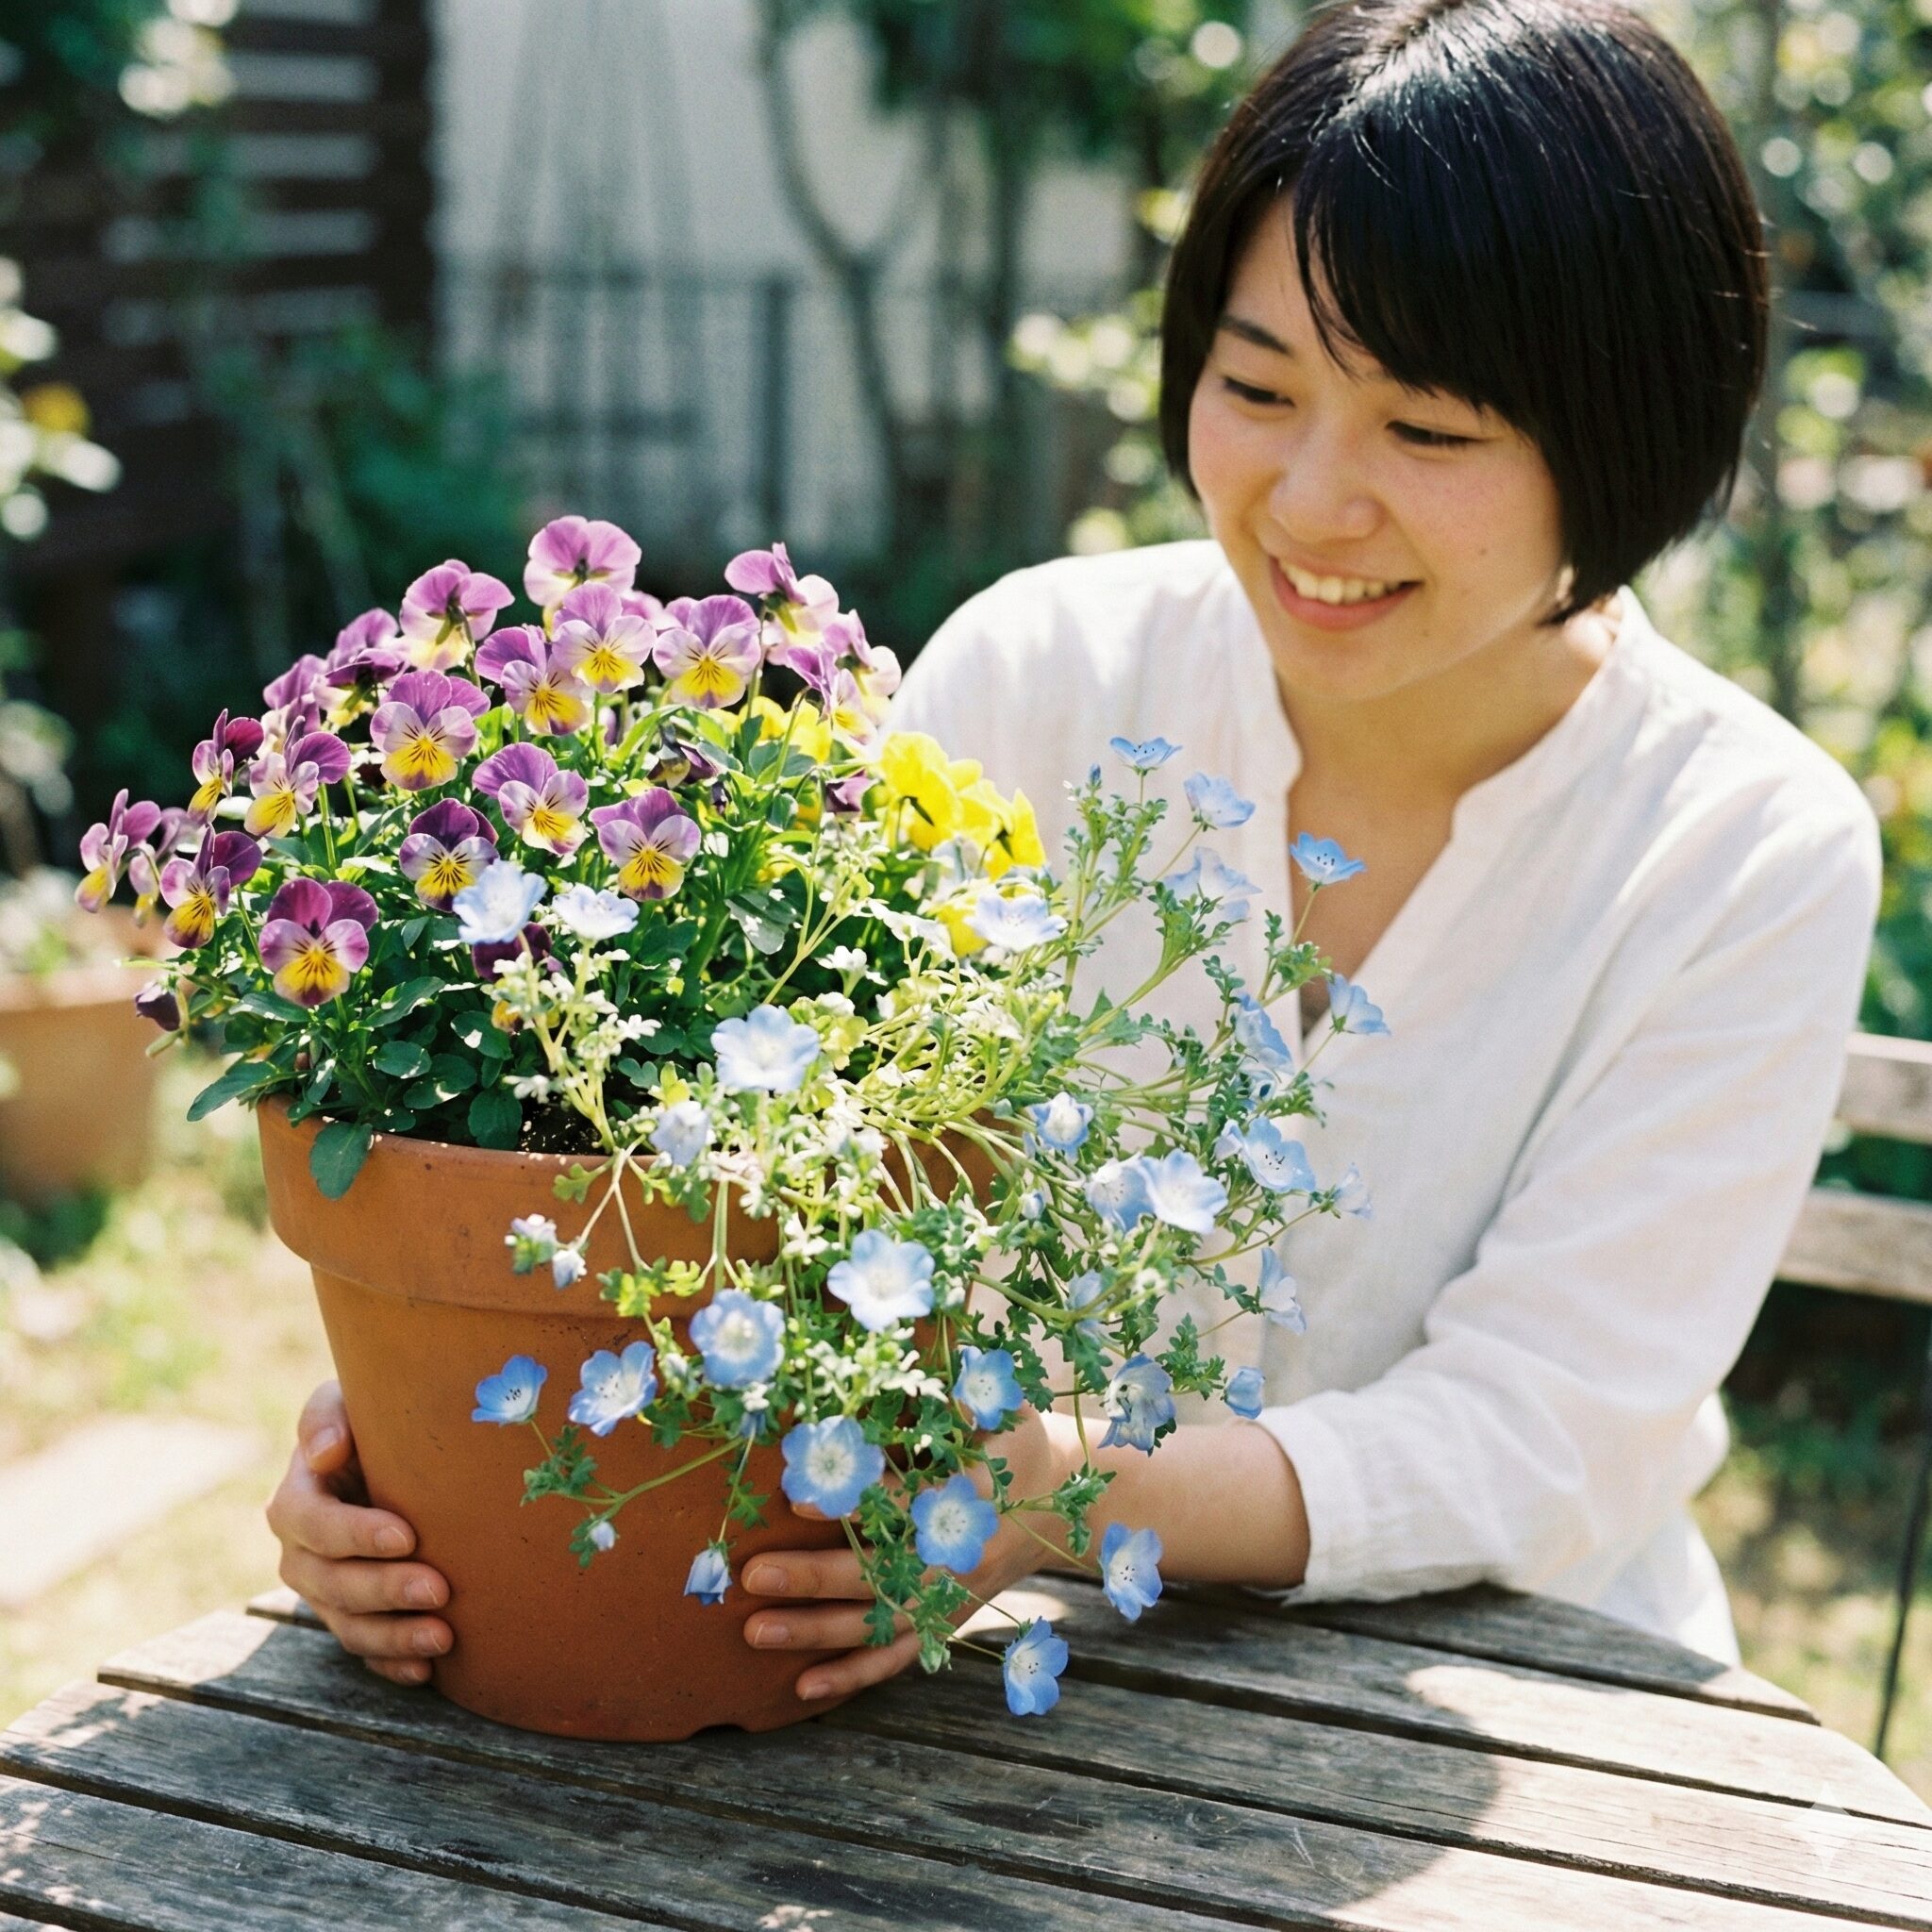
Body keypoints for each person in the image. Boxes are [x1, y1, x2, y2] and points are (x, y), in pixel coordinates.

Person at [267, 0, 1880, 1707]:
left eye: (1428, 432)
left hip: (1532, 1718)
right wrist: (426, 1438)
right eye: (1256, 387)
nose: (1311, 502)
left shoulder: (1746, 846)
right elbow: (752, 1174)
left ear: (1628, 435)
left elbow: (1543, 1433)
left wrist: (1051, 1499)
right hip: (996, 1687)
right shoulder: (1041, 676)